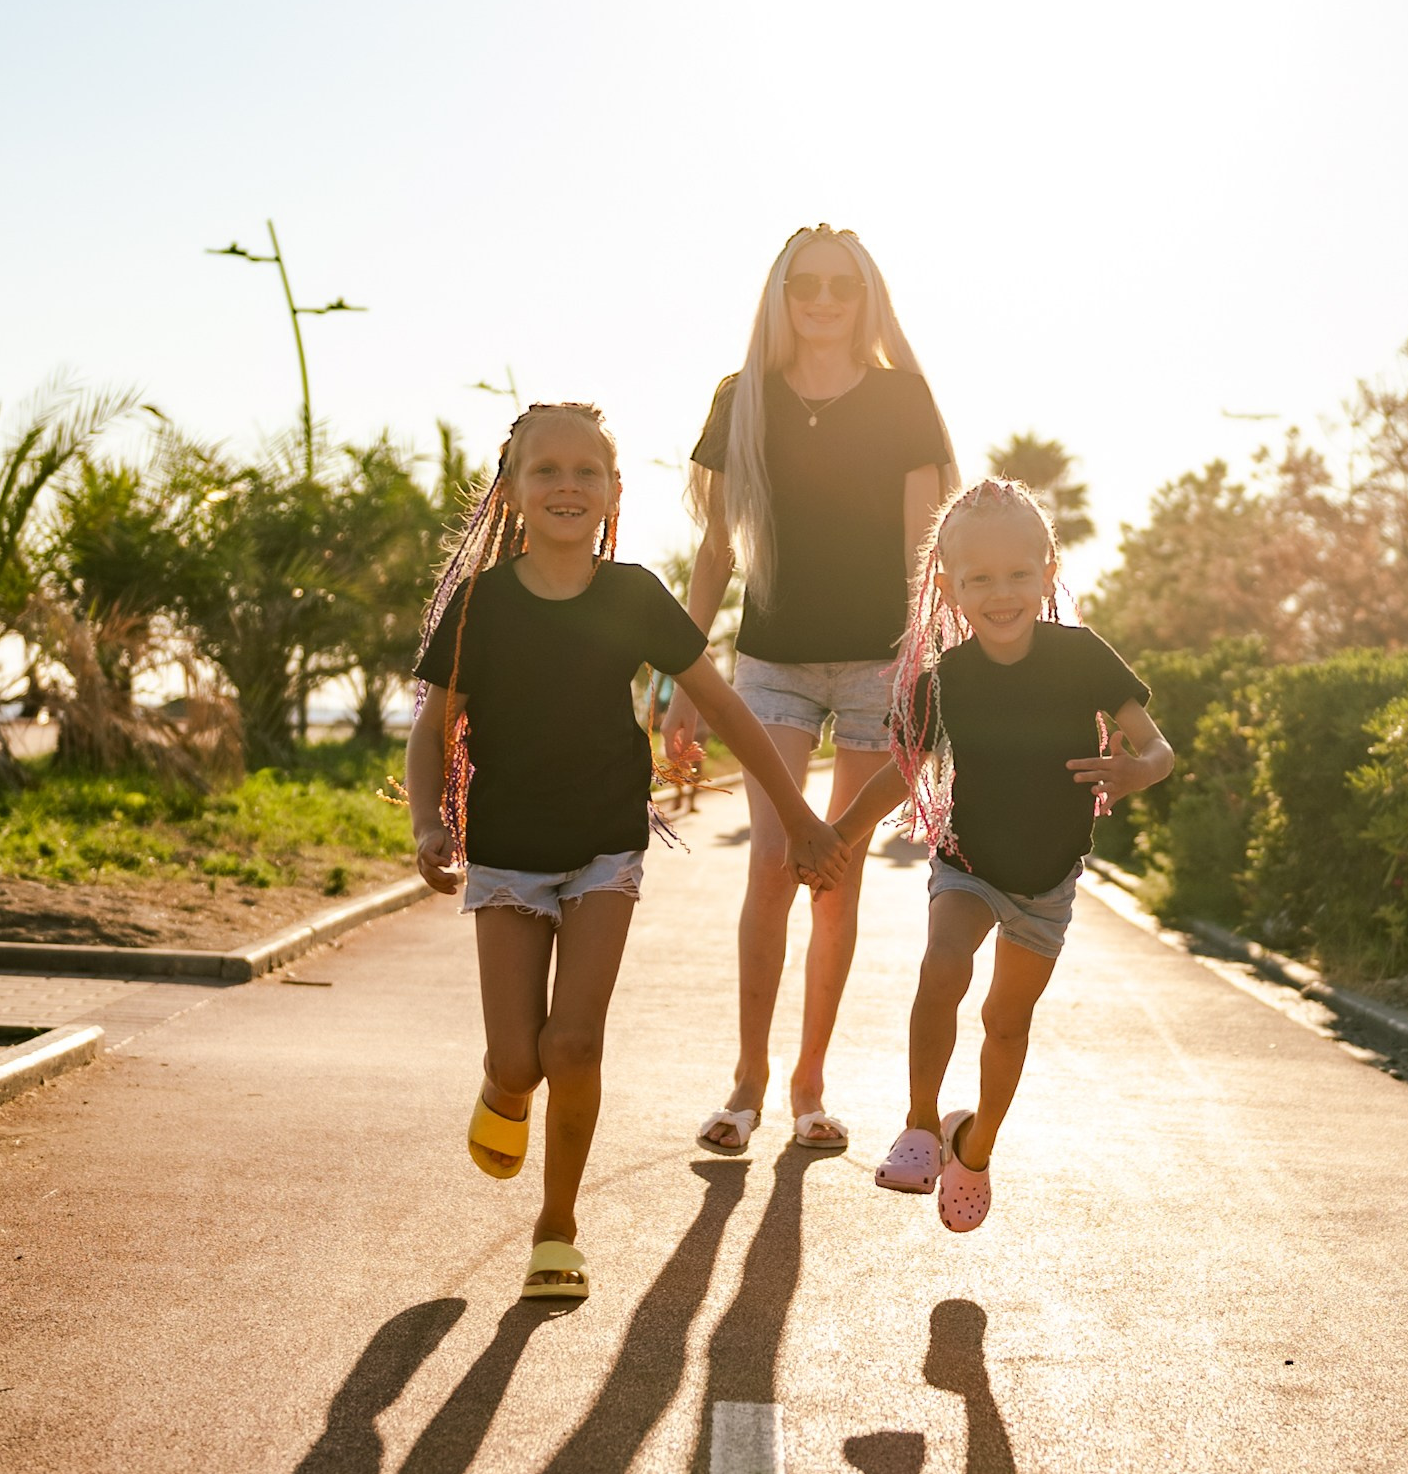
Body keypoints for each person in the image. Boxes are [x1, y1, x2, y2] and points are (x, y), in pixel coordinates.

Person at [407, 402, 840, 1305]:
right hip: (506, 856)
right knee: (519, 1060)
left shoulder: (633, 594)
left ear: (611, 491)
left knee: (575, 1041)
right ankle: (504, 1087)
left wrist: (798, 814)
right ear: (513, 492)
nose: (568, 484)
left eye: (587, 471)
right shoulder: (480, 606)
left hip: (605, 845)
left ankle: (555, 1228)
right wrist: (426, 823)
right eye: (546, 470)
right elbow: (433, 726)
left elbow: (723, 707)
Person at [665, 223, 954, 1153]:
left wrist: (925, 680)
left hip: (881, 665)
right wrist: (682, 680)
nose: (822, 298)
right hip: (773, 663)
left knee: (838, 877)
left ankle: (809, 1086)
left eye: (840, 283)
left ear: (864, 296)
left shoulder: (905, 399)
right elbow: (715, 551)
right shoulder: (741, 399)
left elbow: (924, 553)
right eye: (805, 284)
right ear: (780, 296)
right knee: (771, 868)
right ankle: (746, 1082)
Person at [830, 478, 1174, 1232]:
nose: (1002, 592)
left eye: (1019, 573)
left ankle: (974, 1146)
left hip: (1048, 884)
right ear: (949, 589)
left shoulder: (1081, 657)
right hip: (970, 864)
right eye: (980, 579)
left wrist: (1139, 769)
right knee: (942, 966)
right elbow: (902, 771)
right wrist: (838, 839)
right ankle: (922, 1124)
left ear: (1048, 572)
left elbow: (1158, 746)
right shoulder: (946, 681)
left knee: (1006, 1022)